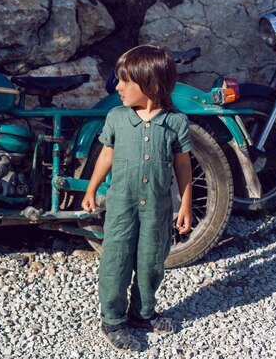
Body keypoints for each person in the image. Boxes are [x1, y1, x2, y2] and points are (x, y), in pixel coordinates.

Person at [81, 44, 193, 352]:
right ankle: (113, 320)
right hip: (121, 207)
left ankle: (143, 314)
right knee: (116, 260)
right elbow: (106, 154)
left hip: (157, 209)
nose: (117, 87)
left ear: (151, 83)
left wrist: (185, 204)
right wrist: (91, 189)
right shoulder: (117, 118)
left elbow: (183, 165)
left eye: (125, 81)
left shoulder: (176, 123)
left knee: (151, 261)